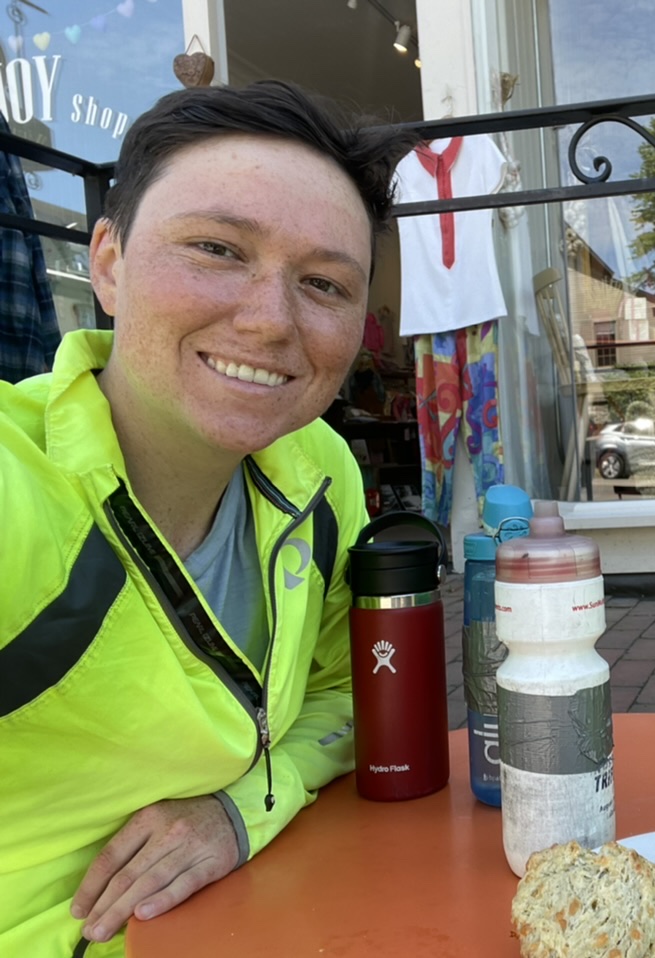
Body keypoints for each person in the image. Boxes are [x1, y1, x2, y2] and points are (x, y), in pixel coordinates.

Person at [0, 81, 418, 957]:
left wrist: (240, 810)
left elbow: (348, 692)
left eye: (324, 284)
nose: (271, 320)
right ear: (108, 263)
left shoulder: (320, 474)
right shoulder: (15, 485)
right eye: (218, 248)